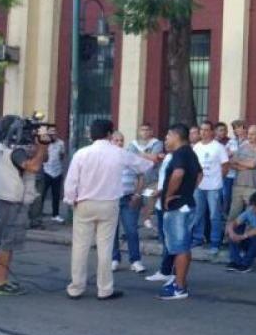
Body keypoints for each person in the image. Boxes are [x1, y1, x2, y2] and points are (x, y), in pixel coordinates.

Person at [64, 119, 154, 300]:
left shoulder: (82, 153)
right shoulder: (118, 153)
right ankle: (105, 289)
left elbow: (72, 180)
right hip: (109, 202)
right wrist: (151, 157)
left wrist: (70, 199)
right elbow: (144, 165)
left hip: (84, 202)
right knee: (105, 248)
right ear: (110, 134)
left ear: (91, 134)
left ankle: (76, 287)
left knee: (80, 247)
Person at [0, 116, 48, 295]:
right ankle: (1, 283)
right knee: (6, 243)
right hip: (11, 200)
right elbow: (33, 167)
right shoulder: (15, 151)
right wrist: (42, 147)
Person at [158, 123, 202, 300]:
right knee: (181, 245)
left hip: (177, 207)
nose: (166, 139)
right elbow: (200, 174)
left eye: (168, 136)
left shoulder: (179, 154)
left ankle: (180, 287)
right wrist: (188, 191)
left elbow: (178, 174)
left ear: (176, 136)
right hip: (187, 204)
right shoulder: (190, 152)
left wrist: (170, 195)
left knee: (180, 246)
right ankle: (178, 279)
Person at [110, 131, 147, 274]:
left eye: (121, 140)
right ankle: (114, 259)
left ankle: (135, 260)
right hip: (112, 198)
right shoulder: (107, 157)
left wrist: (137, 194)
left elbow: (141, 176)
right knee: (112, 230)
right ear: (110, 141)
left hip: (128, 197)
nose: (119, 143)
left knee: (131, 230)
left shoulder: (129, 157)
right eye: (116, 140)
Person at [192, 120, 229, 255]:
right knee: (198, 214)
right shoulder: (196, 147)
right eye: (201, 130)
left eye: (206, 129)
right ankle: (198, 238)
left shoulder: (218, 147)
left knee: (214, 215)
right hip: (199, 186)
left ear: (212, 132)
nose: (203, 132)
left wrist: (219, 179)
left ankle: (215, 242)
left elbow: (225, 165)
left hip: (214, 186)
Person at [144, 148, 176, 285]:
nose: (166, 140)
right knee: (165, 239)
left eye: (169, 136)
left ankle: (167, 271)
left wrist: (161, 191)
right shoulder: (168, 156)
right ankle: (167, 269)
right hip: (160, 202)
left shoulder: (178, 157)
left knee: (169, 239)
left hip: (167, 203)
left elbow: (174, 179)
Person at [229, 124, 256, 223]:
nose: (249, 136)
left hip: (253, 186)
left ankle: (248, 237)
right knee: (233, 215)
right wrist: (245, 166)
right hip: (238, 185)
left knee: (251, 216)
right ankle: (227, 238)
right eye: (249, 134)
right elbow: (231, 163)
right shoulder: (241, 148)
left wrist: (239, 162)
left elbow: (253, 164)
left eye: (252, 134)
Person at [222, 120, 246, 219]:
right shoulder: (231, 142)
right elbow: (225, 156)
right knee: (227, 197)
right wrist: (232, 156)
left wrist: (233, 155)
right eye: (234, 128)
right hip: (230, 174)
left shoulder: (248, 142)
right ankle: (226, 217)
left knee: (239, 199)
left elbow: (244, 158)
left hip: (242, 175)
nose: (236, 130)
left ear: (244, 128)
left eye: (238, 127)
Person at [42, 125, 66, 223]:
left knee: (56, 195)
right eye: (51, 133)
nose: (53, 135)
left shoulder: (61, 143)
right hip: (46, 171)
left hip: (57, 172)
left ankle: (55, 215)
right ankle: (38, 213)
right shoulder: (45, 143)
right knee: (42, 194)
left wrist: (61, 155)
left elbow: (62, 156)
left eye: (54, 133)